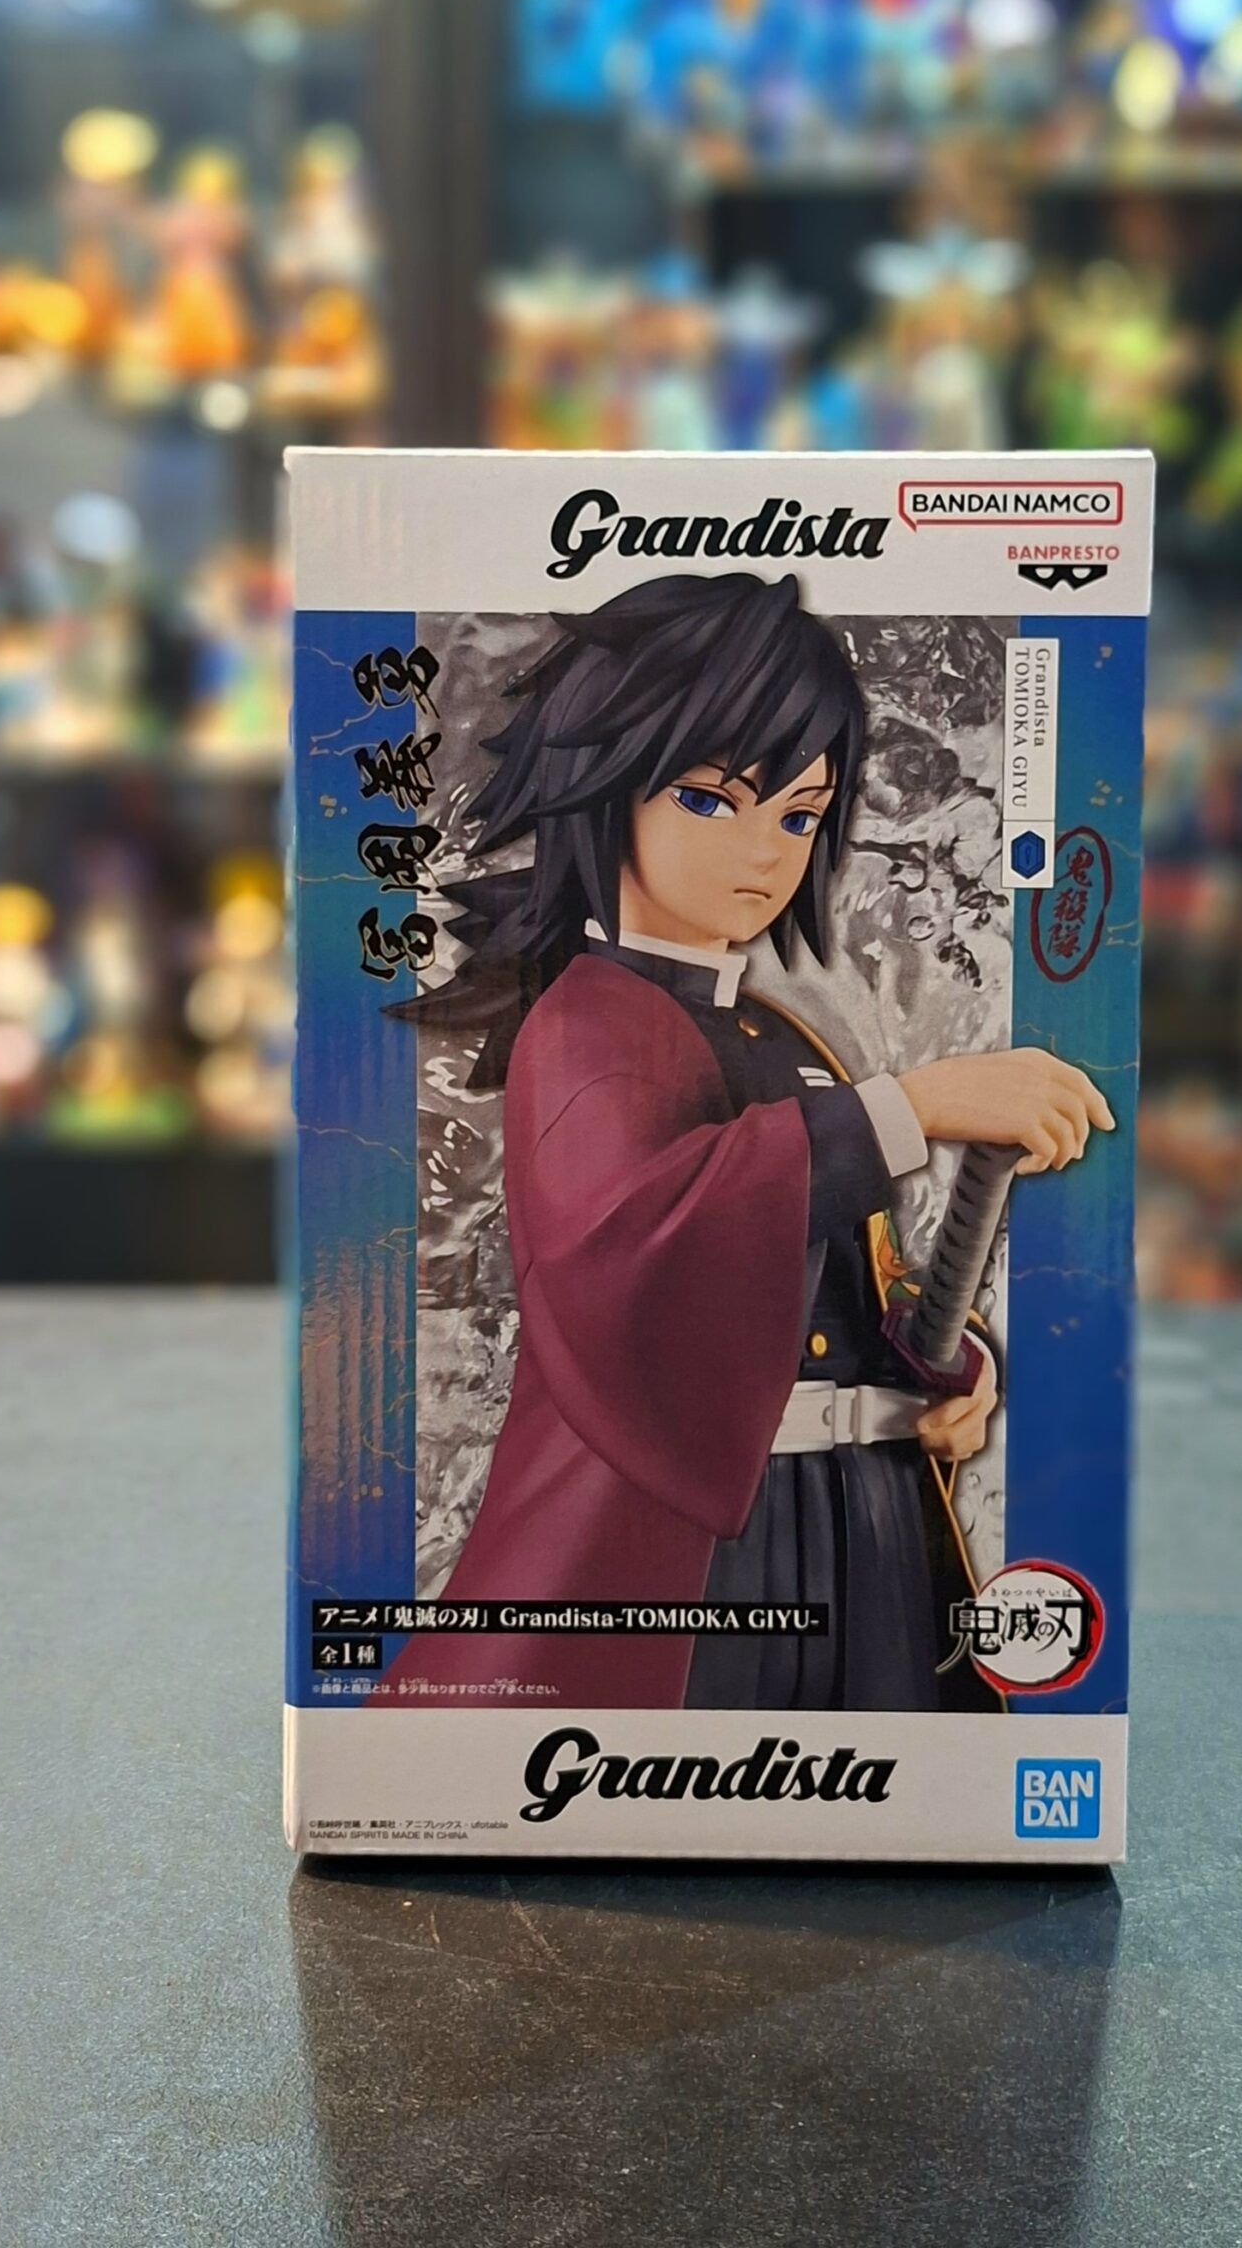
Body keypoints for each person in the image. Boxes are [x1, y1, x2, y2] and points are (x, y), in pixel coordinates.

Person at [386, 572, 1111, 1712]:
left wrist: (946, 1364)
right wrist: (911, 1108)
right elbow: (629, 1253)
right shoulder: (587, 1024)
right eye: (712, 800)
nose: (767, 852)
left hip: (857, 1513)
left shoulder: (781, 1037)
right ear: (606, 783)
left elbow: (837, 1285)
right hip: (704, 1545)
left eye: (800, 816)